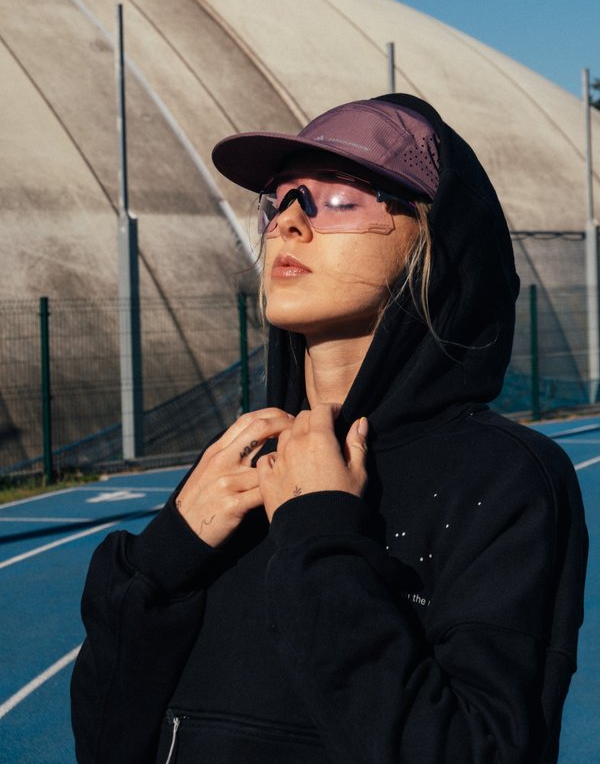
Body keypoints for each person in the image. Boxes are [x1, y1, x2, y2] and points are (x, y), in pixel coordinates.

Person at [71, 94, 588, 764]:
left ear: (434, 241)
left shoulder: (501, 478)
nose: (288, 222)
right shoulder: (237, 467)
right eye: (280, 199)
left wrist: (321, 537)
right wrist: (163, 560)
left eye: (339, 198)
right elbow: (108, 744)